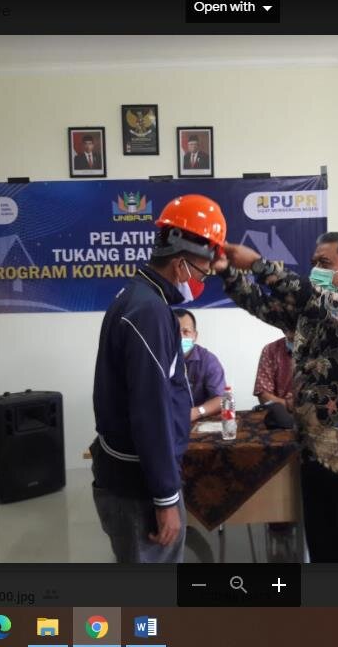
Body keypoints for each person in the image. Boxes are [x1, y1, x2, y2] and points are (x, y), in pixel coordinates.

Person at [215, 231, 338, 563]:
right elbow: (260, 304)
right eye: (313, 263)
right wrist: (228, 271)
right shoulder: (307, 314)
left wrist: (257, 264)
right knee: (325, 550)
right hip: (314, 451)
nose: (316, 270)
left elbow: (308, 293)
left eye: (325, 263)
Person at [90, 194, 226, 563]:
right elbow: (151, 411)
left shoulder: (139, 297)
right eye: (203, 272)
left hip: (130, 475)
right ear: (181, 264)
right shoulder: (149, 312)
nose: (202, 280)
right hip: (138, 486)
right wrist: (166, 498)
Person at [173, 308, 229, 421]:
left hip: (199, 418)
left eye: (186, 331)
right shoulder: (156, 359)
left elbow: (222, 399)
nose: (180, 337)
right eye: (174, 331)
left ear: (195, 335)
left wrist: (198, 412)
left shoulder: (208, 360)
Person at [253, 329, 297, 407]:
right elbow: (263, 395)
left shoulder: (318, 351)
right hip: (282, 411)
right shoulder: (271, 350)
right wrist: (288, 404)